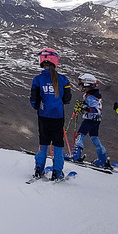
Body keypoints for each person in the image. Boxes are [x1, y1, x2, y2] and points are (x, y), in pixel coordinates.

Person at [30, 48, 73, 180]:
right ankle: (57, 171)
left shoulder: (37, 80)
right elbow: (67, 99)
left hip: (43, 116)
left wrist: (40, 106)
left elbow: (34, 101)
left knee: (43, 142)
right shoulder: (64, 80)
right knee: (58, 144)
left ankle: (39, 168)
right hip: (58, 116)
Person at [70, 73, 110, 168]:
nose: (80, 86)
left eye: (82, 84)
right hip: (96, 120)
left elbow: (96, 109)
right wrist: (83, 106)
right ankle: (102, 159)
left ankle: (76, 155)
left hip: (90, 119)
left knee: (80, 134)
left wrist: (85, 108)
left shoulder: (91, 96)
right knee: (94, 138)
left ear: (88, 84)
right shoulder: (94, 95)